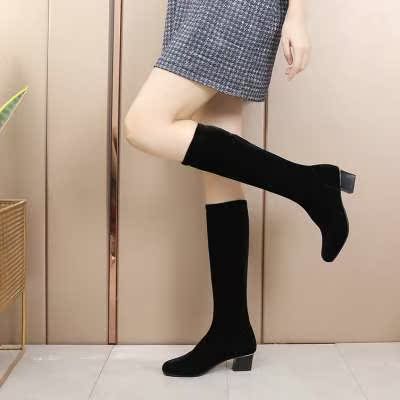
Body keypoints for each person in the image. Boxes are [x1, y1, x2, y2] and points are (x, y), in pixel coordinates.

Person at [123, 0, 356, 377]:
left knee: (143, 124)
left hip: (231, 7)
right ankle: (230, 328)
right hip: (194, 7)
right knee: (220, 173)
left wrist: (298, 16)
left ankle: (312, 185)